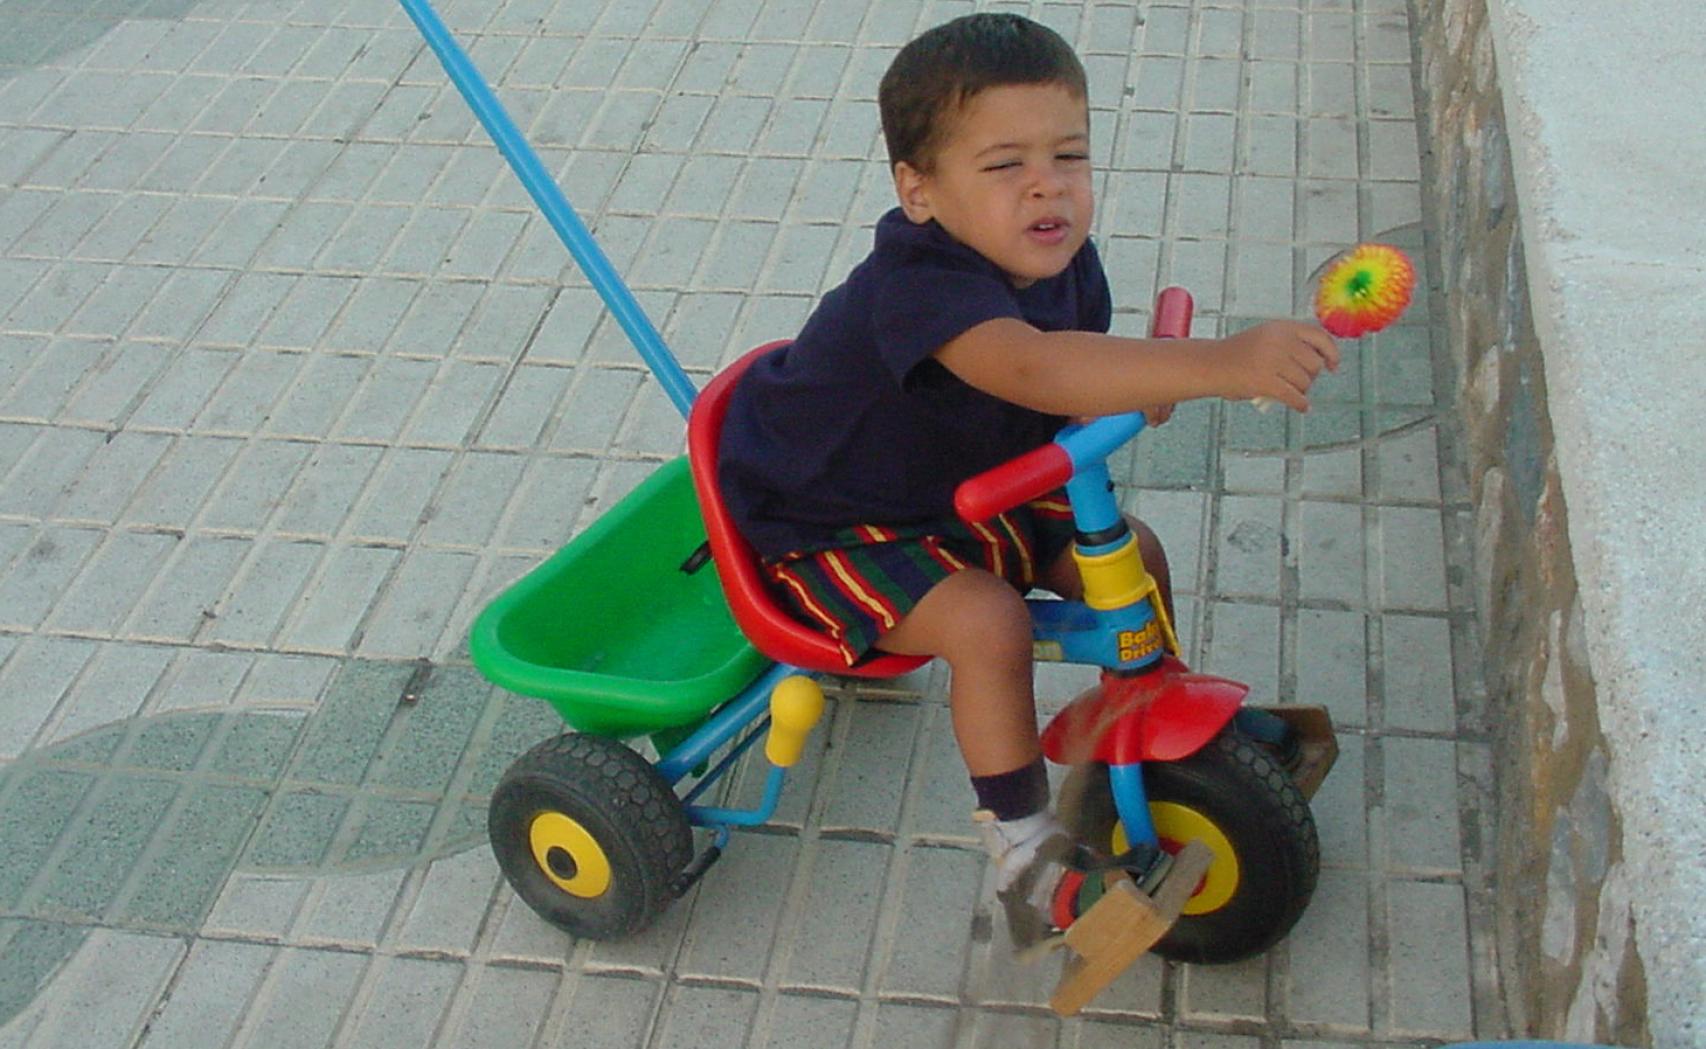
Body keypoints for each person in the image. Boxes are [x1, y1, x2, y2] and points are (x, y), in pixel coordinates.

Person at [716, 12, 1338, 944]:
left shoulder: (1058, 256)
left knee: (1132, 554)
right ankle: (1023, 849)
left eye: (1069, 155)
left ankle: (1157, 718)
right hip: (836, 521)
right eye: (1005, 165)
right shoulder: (920, 286)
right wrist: (1217, 362)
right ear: (919, 191)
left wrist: (1129, 381)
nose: (1048, 185)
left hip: (967, 483)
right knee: (988, 622)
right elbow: (1034, 367)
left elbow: (1073, 368)